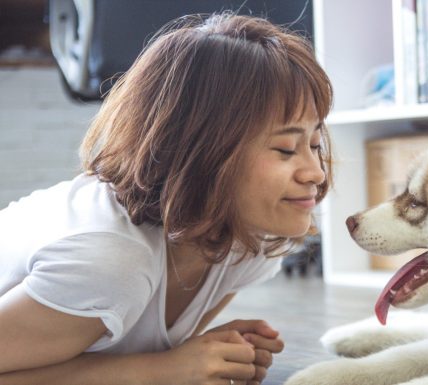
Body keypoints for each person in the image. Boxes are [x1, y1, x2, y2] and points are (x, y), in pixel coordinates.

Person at [0, 11, 332, 385]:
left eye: (315, 143)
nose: (316, 173)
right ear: (201, 152)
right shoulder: (110, 262)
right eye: (286, 149)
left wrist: (206, 356)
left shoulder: (246, 242)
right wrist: (164, 370)